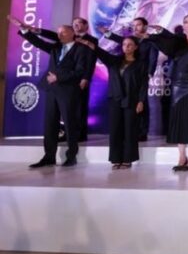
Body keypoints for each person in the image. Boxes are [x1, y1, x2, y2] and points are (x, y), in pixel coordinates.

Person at [7, 16, 87, 167]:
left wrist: (58, 77)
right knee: (50, 123)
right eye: (58, 33)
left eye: (63, 32)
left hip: (68, 91)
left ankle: (71, 156)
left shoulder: (81, 49)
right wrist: (24, 29)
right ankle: (49, 156)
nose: (59, 35)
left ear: (71, 33)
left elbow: (79, 72)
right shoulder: (56, 47)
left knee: (69, 123)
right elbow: (38, 42)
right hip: (52, 89)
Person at [145, 14, 188, 171]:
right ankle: (182, 156)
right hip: (178, 84)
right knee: (179, 120)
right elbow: (166, 42)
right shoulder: (179, 41)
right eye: (185, 22)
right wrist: (158, 32)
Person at [77, 36, 148, 169]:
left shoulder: (141, 64)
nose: (126, 47)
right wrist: (88, 43)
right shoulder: (114, 61)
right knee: (115, 130)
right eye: (124, 44)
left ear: (135, 47)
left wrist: (141, 101)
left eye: (130, 44)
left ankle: (128, 159)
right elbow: (100, 52)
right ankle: (116, 158)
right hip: (115, 98)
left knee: (129, 130)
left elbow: (144, 84)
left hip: (131, 100)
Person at [36, 17, 98, 142]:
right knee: (66, 108)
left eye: (78, 23)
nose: (76, 25)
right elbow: (53, 35)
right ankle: (68, 133)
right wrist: (38, 31)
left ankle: (80, 134)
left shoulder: (91, 40)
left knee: (80, 106)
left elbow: (90, 61)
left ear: (86, 26)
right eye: (74, 23)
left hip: (79, 77)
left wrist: (86, 77)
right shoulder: (66, 39)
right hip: (65, 80)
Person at [100, 17, 159, 142]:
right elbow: (119, 39)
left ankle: (142, 132)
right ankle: (129, 131)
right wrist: (108, 33)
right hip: (128, 75)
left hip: (141, 74)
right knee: (128, 103)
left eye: (138, 24)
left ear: (145, 26)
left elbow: (153, 58)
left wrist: (149, 73)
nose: (135, 27)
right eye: (134, 25)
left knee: (142, 102)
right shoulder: (130, 40)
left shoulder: (151, 41)